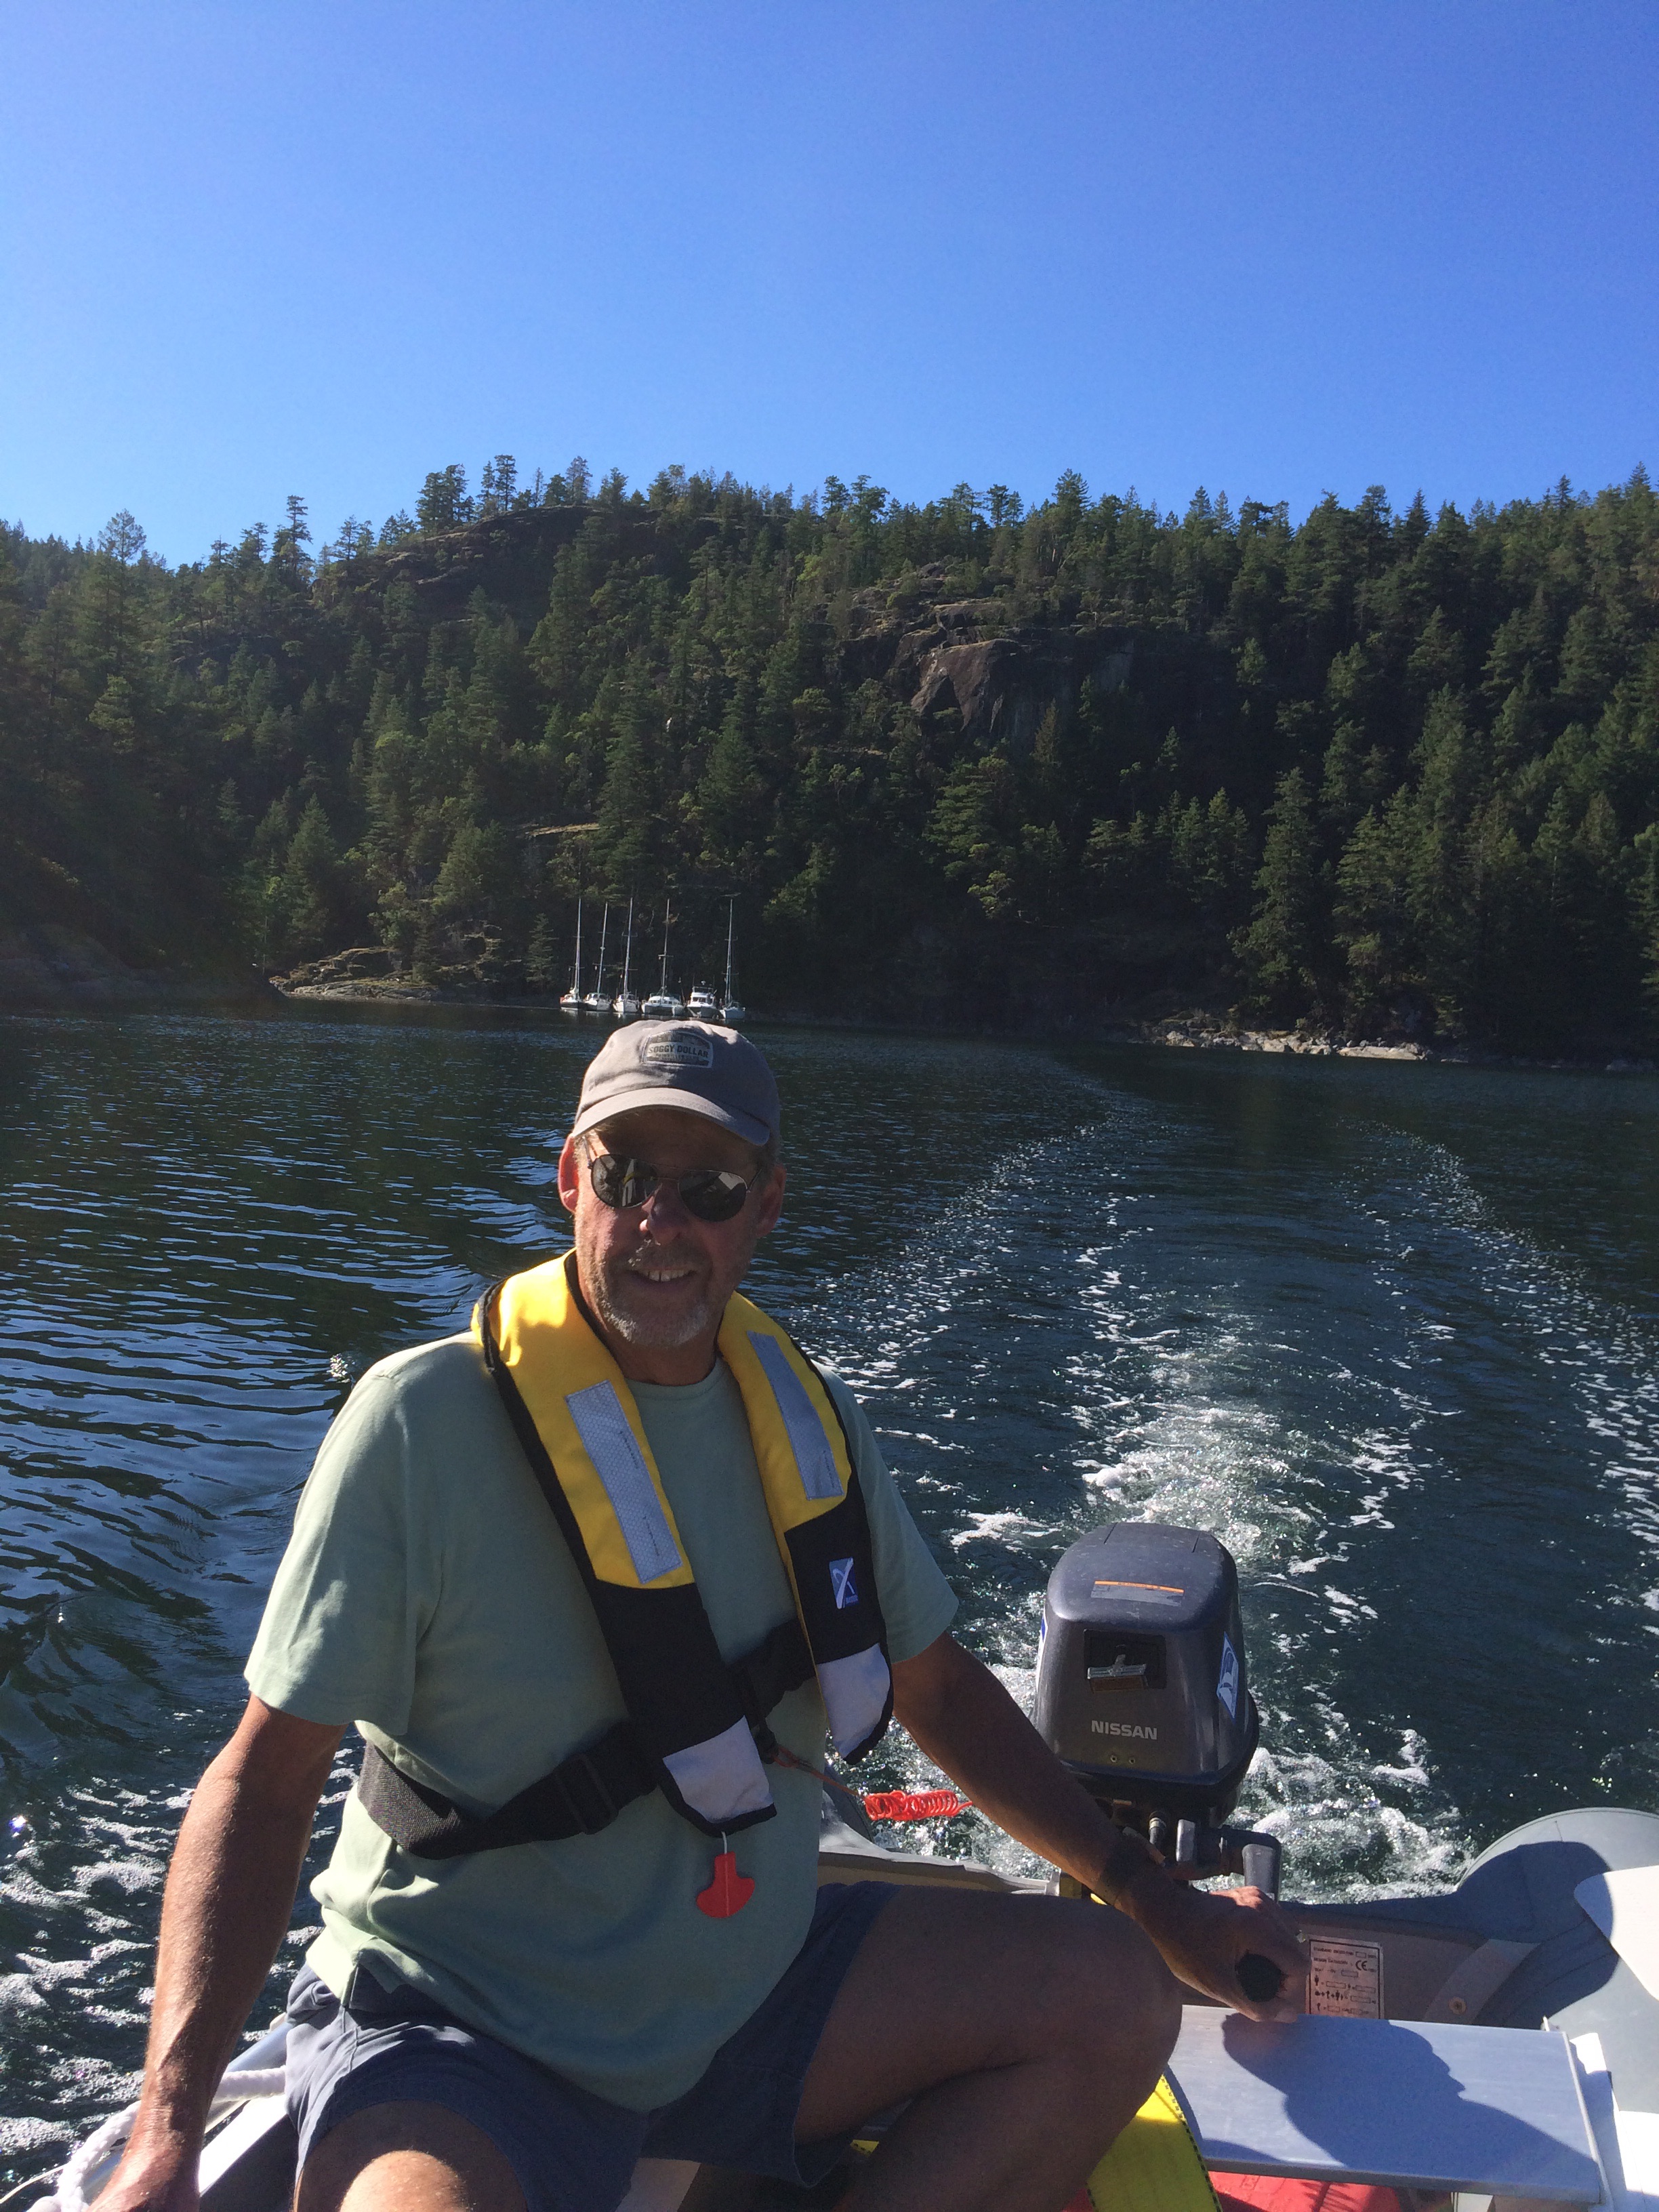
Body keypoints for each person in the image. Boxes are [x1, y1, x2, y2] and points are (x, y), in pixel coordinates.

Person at [99, 1023, 1306, 2212]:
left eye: (710, 1188)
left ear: (765, 1204)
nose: (659, 1222)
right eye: (624, 1175)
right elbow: (262, 1781)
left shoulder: (810, 1421)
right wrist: (164, 2139)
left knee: (1112, 1993)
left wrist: (1159, 1900)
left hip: (744, 1997)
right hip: (468, 2033)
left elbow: (935, 1686)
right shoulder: (421, 1423)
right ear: (570, 1178)